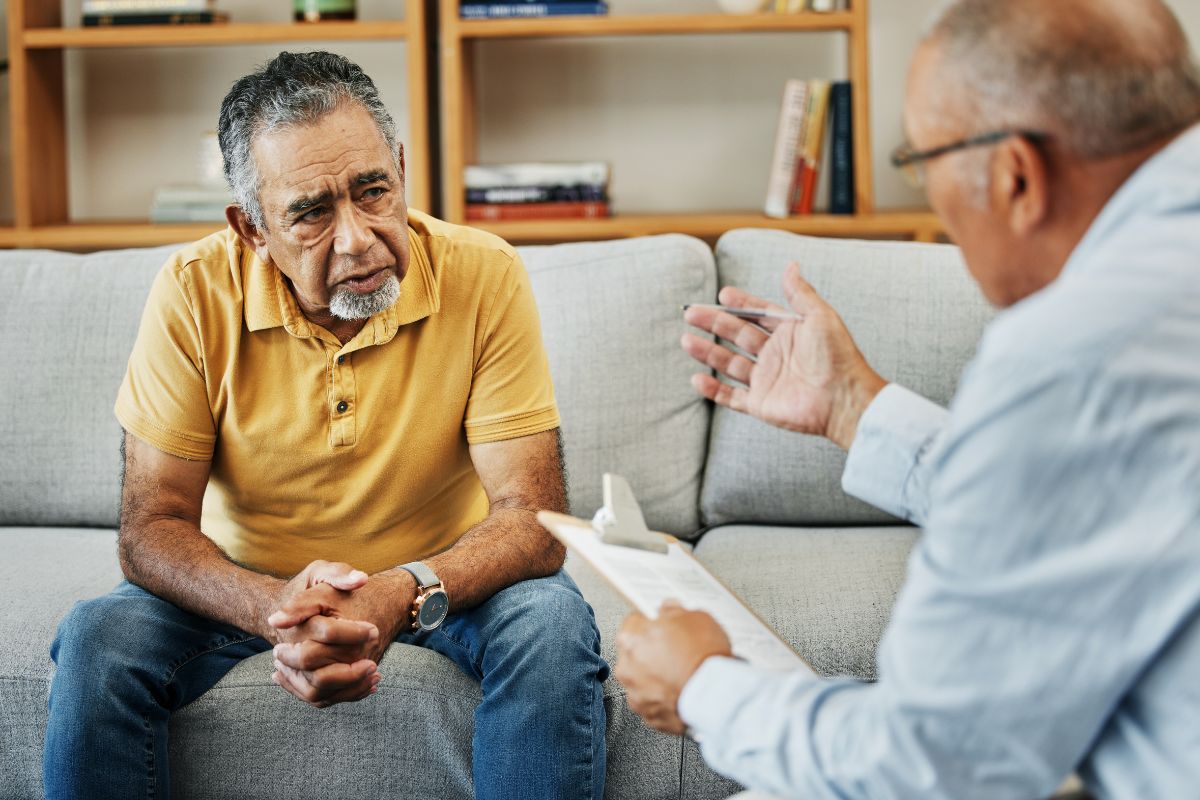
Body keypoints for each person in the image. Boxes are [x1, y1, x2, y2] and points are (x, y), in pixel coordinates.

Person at [615, 0, 1200, 797]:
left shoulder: (1075, 346)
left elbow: (934, 765)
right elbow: (1095, 496)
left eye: (922, 163)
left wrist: (705, 688)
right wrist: (853, 407)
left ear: (1014, 175)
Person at [43, 51, 608, 800]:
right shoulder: (190, 295)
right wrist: (275, 607)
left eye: (373, 191)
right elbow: (151, 528)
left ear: (401, 168)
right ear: (251, 227)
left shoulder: (484, 272)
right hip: (248, 582)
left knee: (553, 629)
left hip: (445, 578)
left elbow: (532, 520)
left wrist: (399, 590)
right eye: (311, 212)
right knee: (96, 641)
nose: (358, 240)